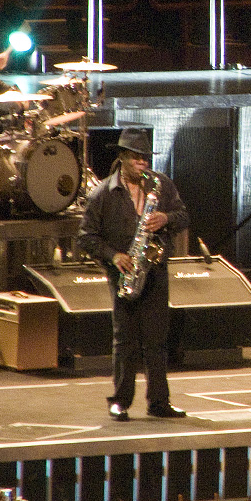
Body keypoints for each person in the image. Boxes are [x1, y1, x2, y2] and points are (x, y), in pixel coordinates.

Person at [78, 127, 190, 421]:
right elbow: (87, 237)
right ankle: (120, 401)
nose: (142, 163)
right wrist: (114, 256)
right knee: (124, 341)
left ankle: (159, 402)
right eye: (136, 158)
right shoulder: (103, 193)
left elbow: (183, 216)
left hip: (155, 270)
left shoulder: (160, 185)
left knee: (157, 340)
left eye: (145, 158)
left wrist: (166, 218)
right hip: (124, 274)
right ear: (122, 158)